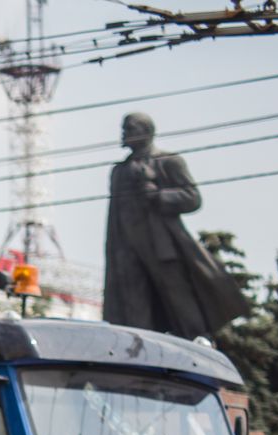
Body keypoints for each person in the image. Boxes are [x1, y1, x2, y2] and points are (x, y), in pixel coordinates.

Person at [103, 113, 249, 340]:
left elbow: (192, 197)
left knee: (179, 299)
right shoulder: (119, 171)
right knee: (133, 304)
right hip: (126, 248)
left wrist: (159, 196)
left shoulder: (168, 161)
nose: (124, 134)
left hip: (162, 247)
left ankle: (198, 341)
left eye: (129, 129)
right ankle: (139, 346)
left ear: (146, 131)